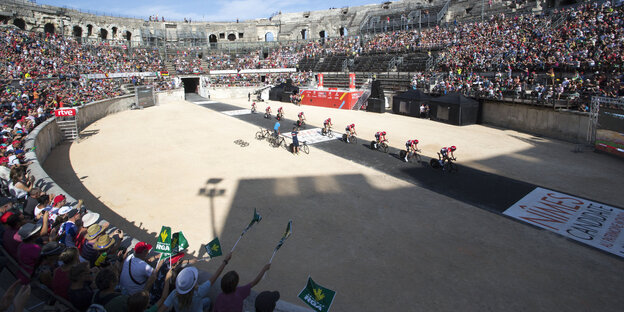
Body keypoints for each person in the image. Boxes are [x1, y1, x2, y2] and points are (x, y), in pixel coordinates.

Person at [159, 252, 232, 312]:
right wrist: (225, 261)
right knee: (208, 301)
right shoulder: (198, 292)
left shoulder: (174, 294)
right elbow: (215, 276)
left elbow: (161, 309)